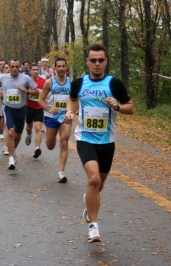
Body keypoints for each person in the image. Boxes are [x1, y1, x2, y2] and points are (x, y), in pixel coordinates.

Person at [64, 43, 134, 243]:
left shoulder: (114, 84)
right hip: (85, 138)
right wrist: (70, 112)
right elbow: (71, 99)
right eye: (93, 60)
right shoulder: (79, 83)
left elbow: (131, 108)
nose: (96, 64)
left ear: (106, 62)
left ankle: (89, 201)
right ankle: (93, 227)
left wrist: (118, 107)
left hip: (107, 141)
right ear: (87, 62)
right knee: (93, 179)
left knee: (99, 184)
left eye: (100, 60)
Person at [0, 58, 38, 170]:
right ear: (9, 67)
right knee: (11, 132)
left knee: (17, 135)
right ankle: (11, 159)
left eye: (17, 67)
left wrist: (27, 91)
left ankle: (14, 149)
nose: (14, 69)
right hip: (9, 109)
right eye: (12, 66)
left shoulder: (25, 78)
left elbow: (36, 91)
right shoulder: (3, 78)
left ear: (20, 67)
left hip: (21, 109)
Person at [38, 57, 71, 183]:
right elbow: (40, 99)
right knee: (50, 145)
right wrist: (48, 109)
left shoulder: (70, 82)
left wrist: (74, 110)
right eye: (59, 66)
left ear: (66, 67)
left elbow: (74, 99)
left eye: (63, 66)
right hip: (51, 117)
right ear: (55, 68)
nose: (62, 68)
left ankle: (61, 172)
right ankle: (50, 141)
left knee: (64, 142)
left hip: (65, 117)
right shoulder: (49, 82)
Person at [25, 63, 46, 158]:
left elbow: (46, 94)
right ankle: (29, 134)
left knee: (38, 128)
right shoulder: (27, 81)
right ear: (30, 71)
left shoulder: (44, 82)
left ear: (39, 70)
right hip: (28, 107)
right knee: (29, 127)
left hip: (39, 108)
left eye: (37, 69)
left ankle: (37, 148)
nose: (35, 71)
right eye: (33, 70)